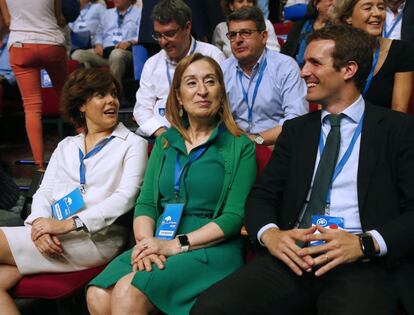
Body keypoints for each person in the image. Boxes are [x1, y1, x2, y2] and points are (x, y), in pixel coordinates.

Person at [191, 24, 414, 315]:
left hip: (360, 262)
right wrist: (272, 236)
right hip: (293, 256)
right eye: (303, 62)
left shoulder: (397, 130)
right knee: (211, 308)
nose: (303, 72)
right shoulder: (296, 131)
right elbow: (262, 196)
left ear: (348, 69)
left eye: (315, 63)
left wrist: (365, 244)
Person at [87, 53, 256, 315]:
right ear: (178, 96)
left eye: (210, 82)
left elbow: (233, 217)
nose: (202, 91)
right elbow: (146, 203)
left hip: (211, 247)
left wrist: (175, 245)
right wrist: (146, 243)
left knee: (128, 291)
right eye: (191, 83)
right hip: (158, 239)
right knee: (97, 294)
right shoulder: (165, 142)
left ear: (221, 91)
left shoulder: (239, 145)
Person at [0, 68, 148, 314]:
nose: (111, 100)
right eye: (100, 95)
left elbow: (125, 197)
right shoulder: (67, 145)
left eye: (113, 94)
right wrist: (39, 225)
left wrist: (68, 224)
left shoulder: (133, 144)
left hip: (98, 239)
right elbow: (44, 191)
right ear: (81, 105)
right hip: (53, 234)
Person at [133, 0, 225, 138]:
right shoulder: (152, 64)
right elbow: (141, 109)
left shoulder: (212, 56)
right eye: (158, 35)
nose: (163, 42)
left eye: (170, 34)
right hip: (162, 136)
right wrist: (163, 134)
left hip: (204, 134)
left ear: (187, 27)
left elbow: (222, 102)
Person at [221, 6, 308, 146]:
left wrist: (255, 140)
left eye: (245, 33)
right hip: (235, 149)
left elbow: (296, 120)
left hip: (277, 145)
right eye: (232, 35)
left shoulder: (285, 67)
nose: (238, 40)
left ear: (264, 36)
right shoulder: (222, 70)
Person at [0, 0, 68, 170]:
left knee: (31, 107)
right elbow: (59, 18)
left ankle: (39, 166)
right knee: (67, 98)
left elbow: (8, 22)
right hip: (50, 42)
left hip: (20, 44)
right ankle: (85, 139)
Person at [333, 0, 414, 112]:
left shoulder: (402, 51)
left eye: (381, 7)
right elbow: (327, 106)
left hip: (383, 128)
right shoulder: (333, 52)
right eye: (367, 8)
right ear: (348, 17)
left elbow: (399, 113)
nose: (377, 13)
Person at [71, 0, 141, 85]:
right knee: (77, 54)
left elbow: (141, 35)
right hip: (105, 52)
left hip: (126, 51)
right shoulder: (107, 14)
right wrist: (98, 44)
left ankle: (115, 91)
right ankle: (90, 89)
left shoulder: (139, 13)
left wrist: (129, 42)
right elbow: (98, 33)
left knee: (116, 54)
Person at [212, 0, 280, 58]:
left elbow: (274, 53)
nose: (245, 4)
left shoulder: (265, 24)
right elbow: (217, 56)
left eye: (249, 1)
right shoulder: (220, 28)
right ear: (231, 5)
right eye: (240, 1)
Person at [282, 0, 334, 66]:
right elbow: (286, 52)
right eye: (330, 0)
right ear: (316, 3)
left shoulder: (338, 27)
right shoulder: (301, 25)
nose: (334, 3)